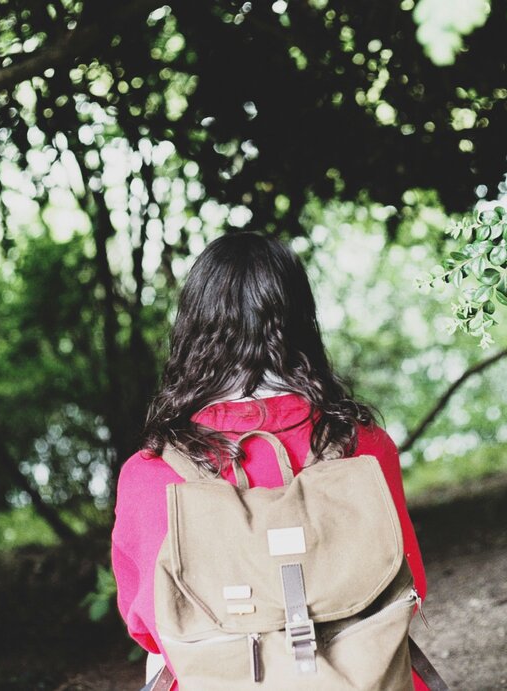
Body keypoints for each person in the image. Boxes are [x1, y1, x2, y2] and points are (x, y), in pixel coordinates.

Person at [110, 231, 429, 690]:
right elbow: (408, 586)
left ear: (192, 328)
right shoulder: (363, 445)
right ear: (301, 320)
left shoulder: (150, 473)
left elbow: (148, 627)